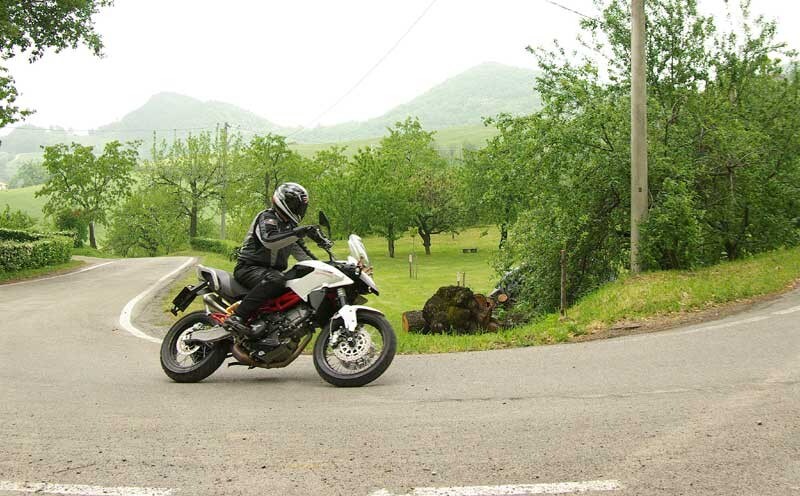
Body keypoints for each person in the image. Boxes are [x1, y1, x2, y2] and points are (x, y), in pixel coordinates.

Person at [223, 182, 331, 337]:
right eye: (295, 204)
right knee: (277, 279)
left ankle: (273, 326)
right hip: (248, 268)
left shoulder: (289, 228)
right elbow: (270, 240)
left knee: (296, 282)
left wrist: (330, 267)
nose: (298, 209)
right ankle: (238, 317)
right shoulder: (267, 217)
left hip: (269, 273)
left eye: (300, 206)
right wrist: (302, 231)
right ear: (283, 201)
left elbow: (305, 257)